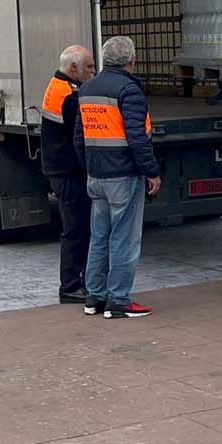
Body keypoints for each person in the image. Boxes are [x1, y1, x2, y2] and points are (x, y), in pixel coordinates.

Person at [74, 36, 160, 318]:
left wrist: (89, 166)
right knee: (124, 239)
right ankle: (119, 300)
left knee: (99, 237)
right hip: (124, 176)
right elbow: (137, 138)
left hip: (97, 175)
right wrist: (151, 172)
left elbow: (79, 137)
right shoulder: (129, 90)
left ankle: (94, 298)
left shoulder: (87, 89)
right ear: (131, 61)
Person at [40, 44, 96, 304]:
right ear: (73, 68)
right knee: (76, 229)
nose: (93, 72)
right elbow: (82, 132)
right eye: (89, 67)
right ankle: (71, 286)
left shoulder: (58, 85)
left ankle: (76, 282)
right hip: (68, 172)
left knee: (77, 227)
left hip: (60, 169)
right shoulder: (69, 96)